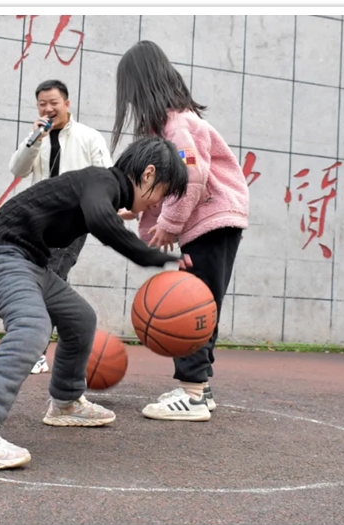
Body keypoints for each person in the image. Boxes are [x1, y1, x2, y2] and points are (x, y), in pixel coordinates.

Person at [0, 136, 192, 470]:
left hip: (31, 262)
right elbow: (100, 220)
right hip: (1, 254)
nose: (158, 203)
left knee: (80, 319)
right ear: (148, 174)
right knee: (32, 327)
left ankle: (65, 402)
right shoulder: (101, 181)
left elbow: (101, 214)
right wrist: (155, 257)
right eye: (163, 192)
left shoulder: (104, 187)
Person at [111, 40, 250, 422]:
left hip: (211, 223)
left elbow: (191, 175)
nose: (129, 100)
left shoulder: (178, 125)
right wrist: (139, 209)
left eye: (129, 91)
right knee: (202, 303)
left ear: (141, 86)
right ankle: (199, 388)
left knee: (189, 304)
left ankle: (192, 394)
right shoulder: (170, 126)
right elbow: (171, 181)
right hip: (212, 223)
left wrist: (169, 224)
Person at [9, 79, 113, 375]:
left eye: (53, 103)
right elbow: (17, 169)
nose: (48, 109)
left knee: (49, 278)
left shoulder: (88, 137)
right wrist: (34, 140)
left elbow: (106, 177)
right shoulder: (36, 138)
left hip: (72, 222)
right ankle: (61, 342)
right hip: (38, 220)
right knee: (44, 281)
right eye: (42, 104)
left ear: (67, 104)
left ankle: (36, 351)